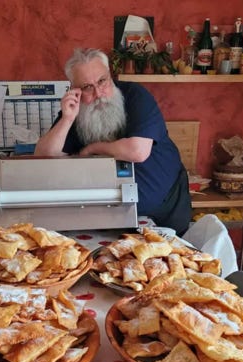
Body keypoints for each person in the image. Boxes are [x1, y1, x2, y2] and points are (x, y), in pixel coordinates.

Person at [35, 48, 192, 235]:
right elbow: (43, 156)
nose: (98, 93)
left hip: (164, 208)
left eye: (102, 81)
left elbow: (137, 152)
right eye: (87, 87)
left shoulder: (136, 95)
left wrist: (92, 149)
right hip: (108, 217)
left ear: (110, 75)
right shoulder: (75, 110)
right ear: (75, 90)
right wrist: (66, 119)